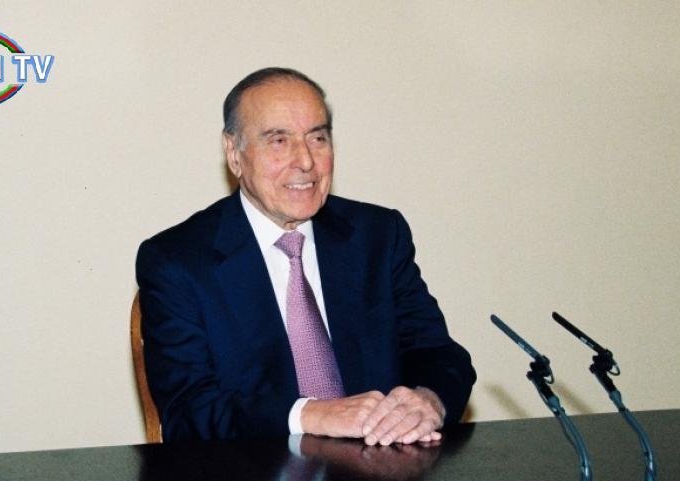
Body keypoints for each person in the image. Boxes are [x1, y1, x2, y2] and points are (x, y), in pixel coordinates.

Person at [136, 67, 474, 445]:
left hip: (380, 469)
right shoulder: (178, 261)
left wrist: (428, 400)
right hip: (253, 475)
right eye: (279, 141)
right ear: (234, 153)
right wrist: (311, 414)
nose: (306, 161)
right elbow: (189, 411)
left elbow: (439, 354)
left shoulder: (378, 236)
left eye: (318, 138)